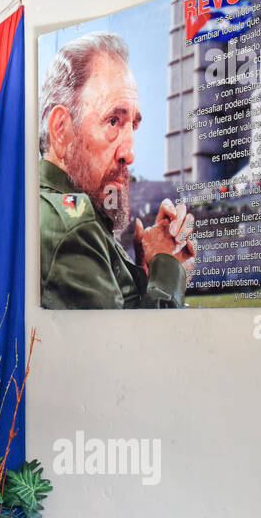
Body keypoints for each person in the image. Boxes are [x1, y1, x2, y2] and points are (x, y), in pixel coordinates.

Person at [38, 31, 196, 309]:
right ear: (61, 129)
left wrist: (146, 275)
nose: (130, 153)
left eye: (132, 125)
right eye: (113, 121)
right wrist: (168, 268)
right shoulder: (74, 229)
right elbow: (142, 350)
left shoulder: (50, 210)